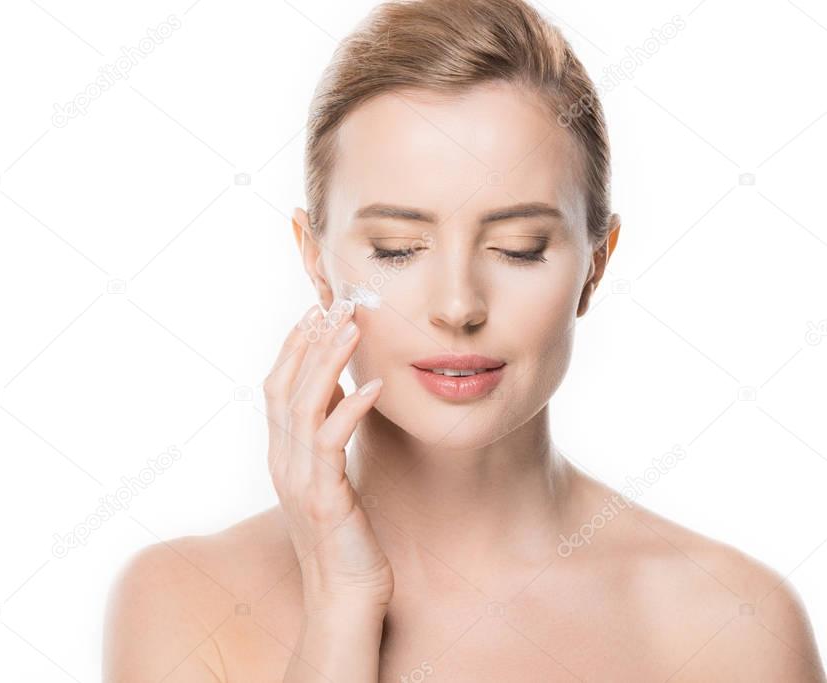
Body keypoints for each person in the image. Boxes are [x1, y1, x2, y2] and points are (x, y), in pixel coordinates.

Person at [104, 0, 825, 680]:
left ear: (595, 264)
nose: (457, 305)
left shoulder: (732, 625)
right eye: (395, 247)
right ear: (315, 261)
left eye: (517, 246)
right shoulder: (182, 601)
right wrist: (340, 599)